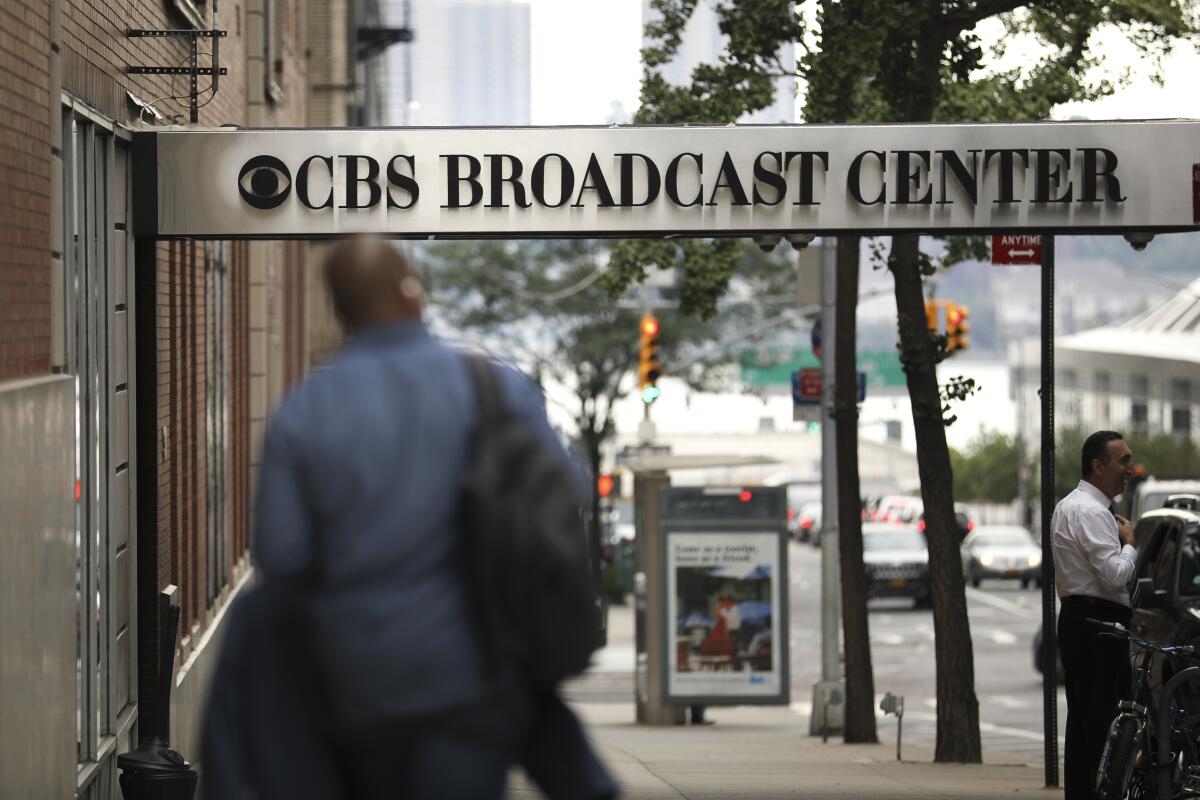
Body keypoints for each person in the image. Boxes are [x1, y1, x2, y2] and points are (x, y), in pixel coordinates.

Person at [226, 236, 614, 799]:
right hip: (475, 674)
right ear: (411, 290)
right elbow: (568, 488)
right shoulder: (494, 388)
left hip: (354, 680)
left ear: (339, 308)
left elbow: (281, 554)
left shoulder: (304, 412)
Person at [1052, 430, 1138, 800]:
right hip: (1099, 625)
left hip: (1078, 621)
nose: (1129, 470)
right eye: (1122, 461)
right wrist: (1131, 545)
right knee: (1105, 723)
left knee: (1084, 723)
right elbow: (1114, 574)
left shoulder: (1068, 505)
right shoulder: (1091, 512)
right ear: (1097, 466)